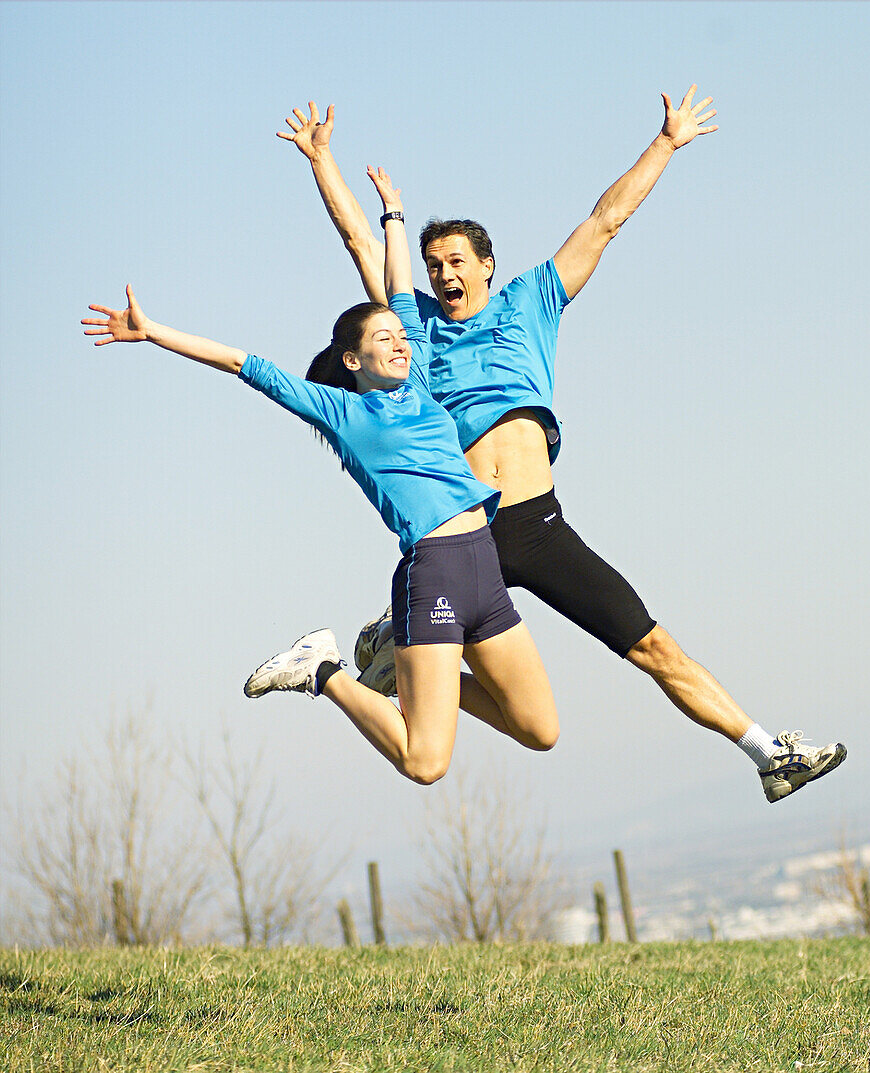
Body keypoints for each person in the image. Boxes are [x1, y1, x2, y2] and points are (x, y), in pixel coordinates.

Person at [279, 89, 845, 804]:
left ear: (487, 264)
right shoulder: (412, 330)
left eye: (456, 260)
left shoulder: (531, 302)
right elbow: (362, 241)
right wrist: (321, 160)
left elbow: (606, 221)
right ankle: (392, 652)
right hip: (466, 537)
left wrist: (665, 144)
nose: (444, 275)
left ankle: (769, 753)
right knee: (460, 742)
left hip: (539, 527)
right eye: (432, 265)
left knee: (650, 647)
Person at [80, 166, 558, 786]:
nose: (402, 341)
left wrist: (393, 216)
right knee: (425, 761)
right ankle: (323, 670)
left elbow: (395, 281)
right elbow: (241, 363)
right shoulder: (345, 412)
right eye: (384, 337)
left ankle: (398, 664)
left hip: (482, 564)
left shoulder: (418, 383)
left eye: (402, 335)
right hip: (434, 569)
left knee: (539, 730)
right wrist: (152, 332)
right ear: (354, 359)